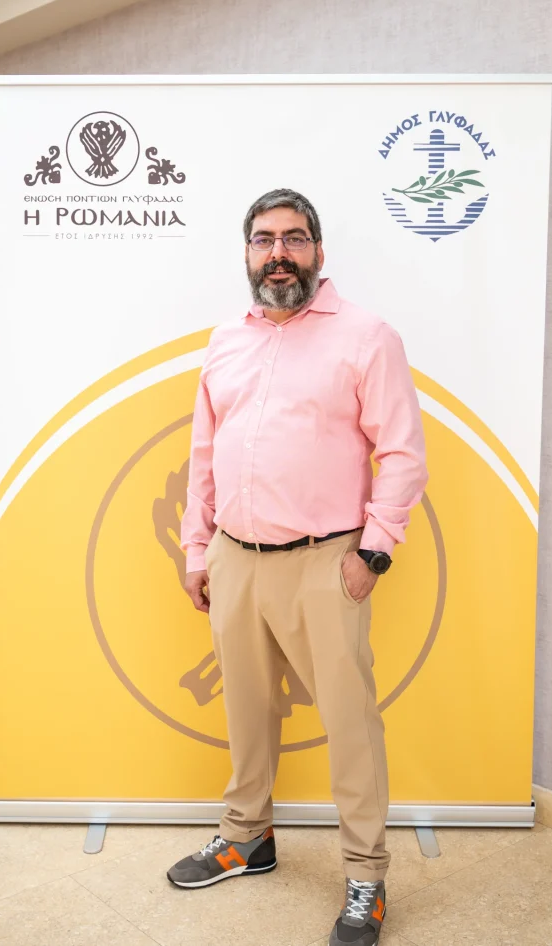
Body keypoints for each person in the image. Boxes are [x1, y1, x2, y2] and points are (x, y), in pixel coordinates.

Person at [167, 189, 428, 946]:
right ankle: (246, 837)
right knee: (247, 714)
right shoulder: (225, 340)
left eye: (293, 238)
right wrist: (197, 549)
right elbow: (205, 455)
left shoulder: (367, 336)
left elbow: (402, 453)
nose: (278, 253)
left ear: (318, 250)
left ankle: (366, 874)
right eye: (263, 239)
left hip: (326, 562)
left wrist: (372, 552)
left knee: (349, 725)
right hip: (234, 559)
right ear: (247, 253)